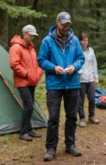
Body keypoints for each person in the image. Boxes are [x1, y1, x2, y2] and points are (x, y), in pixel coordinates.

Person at [37, 11, 85, 161]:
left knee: (71, 116)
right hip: (54, 85)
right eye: (63, 24)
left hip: (72, 83)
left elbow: (80, 58)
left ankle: (70, 145)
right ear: (57, 23)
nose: (65, 27)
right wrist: (53, 67)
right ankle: (51, 148)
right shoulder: (47, 41)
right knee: (53, 118)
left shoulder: (75, 40)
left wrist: (74, 67)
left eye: (68, 24)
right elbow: (41, 60)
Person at [9, 24, 43, 141]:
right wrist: (27, 74)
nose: (32, 37)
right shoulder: (16, 47)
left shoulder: (31, 49)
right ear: (25, 34)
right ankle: (23, 131)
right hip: (22, 81)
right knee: (28, 105)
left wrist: (38, 74)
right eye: (31, 35)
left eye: (33, 36)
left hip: (32, 81)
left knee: (31, 104)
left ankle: (29, 128)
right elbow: (14, 64)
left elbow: (37, 64)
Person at [77, 33, 100, 127]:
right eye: (83, 40)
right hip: (81, 79)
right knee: (80, 100)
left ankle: (91, 116)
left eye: (86, 40)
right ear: (80, 41)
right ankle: (82, 118)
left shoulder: (91, 51)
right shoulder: (77, 51)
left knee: (92, 99)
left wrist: (96, 77)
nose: (85, 42)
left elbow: (94, 64)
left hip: (91, 79)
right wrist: (79, 71)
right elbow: (74, 63)